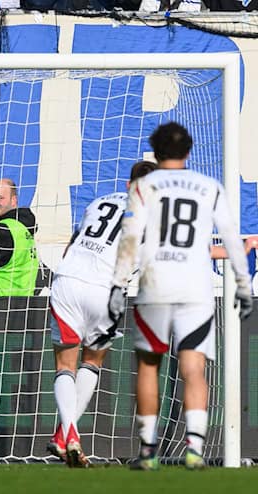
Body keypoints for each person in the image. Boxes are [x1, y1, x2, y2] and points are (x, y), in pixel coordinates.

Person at [109, 122, 253, 471]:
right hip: (196, 287)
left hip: (155, 283)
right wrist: (244, 282)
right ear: (189, 150)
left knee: (148, 365)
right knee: (194, 368)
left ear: (155, 152)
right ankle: (195, 448)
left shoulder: (144, 186)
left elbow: (130, 238)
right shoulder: (209, 187)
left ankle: (147, 450)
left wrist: (117, 284)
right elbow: (231, 238)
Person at [46, 160, 157, 468]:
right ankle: (65, 436)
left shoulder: (100, 201)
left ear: (127, 185)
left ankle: (66, 435)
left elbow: (72, 244)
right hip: (107, 290)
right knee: (92, 361)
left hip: (68, 280)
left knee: (64, 365)